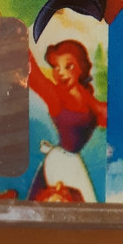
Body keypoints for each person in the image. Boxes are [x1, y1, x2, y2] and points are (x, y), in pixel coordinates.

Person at [28, 40, 107, 202]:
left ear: (81, 68)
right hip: (59, 162)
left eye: (68, 66)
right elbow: (34, 75)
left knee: (87, 207)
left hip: (73, 163)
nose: (61, 73)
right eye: (56, 67)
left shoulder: (89, 101)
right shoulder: (56, 97)